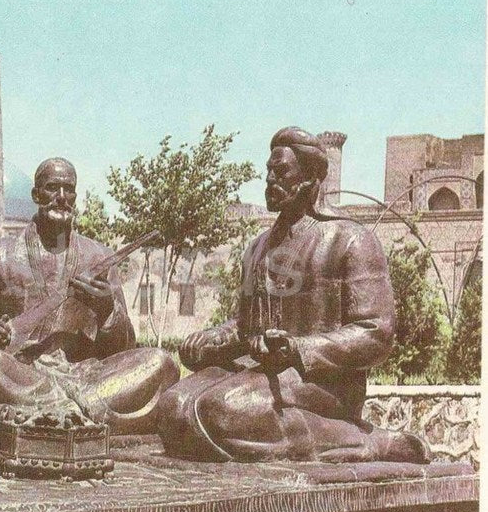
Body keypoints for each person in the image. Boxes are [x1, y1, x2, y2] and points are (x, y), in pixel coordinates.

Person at [156, 127, 430, 463]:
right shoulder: (257, 248)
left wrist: (299, 348)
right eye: (268, 172)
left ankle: (365, 440)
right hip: (259, 374)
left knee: (222, 409)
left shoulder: (351, 239)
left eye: (281, 172)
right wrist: (215, 338)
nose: (270, 180)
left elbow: (376, 332)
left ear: (312, 177)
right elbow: (245, 325)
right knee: (173, 406)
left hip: (323, 383)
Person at [0, 157, 179, 433]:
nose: (61, 197)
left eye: (68, 189)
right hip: (24, 375)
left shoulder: (99, 256)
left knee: (160, 362)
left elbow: (126, 347)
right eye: (52, 188)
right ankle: (77, 411)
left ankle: (58, 409)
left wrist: (107, 312)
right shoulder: (1, 254)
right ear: (36, 195)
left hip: (86, 378)